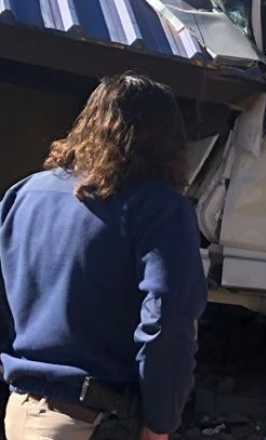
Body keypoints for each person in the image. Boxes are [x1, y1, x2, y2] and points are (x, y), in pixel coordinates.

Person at [0, 73, 208, 440]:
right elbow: (166, 321)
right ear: (168, 142)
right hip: (92, 420)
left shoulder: (24, 194)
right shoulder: (158, 208)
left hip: (21, 411)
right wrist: (160, 422)